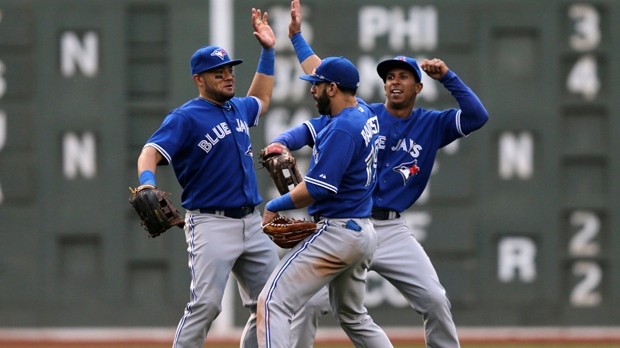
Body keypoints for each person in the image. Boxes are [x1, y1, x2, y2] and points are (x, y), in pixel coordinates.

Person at [272, 1, 490, 347]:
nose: (394, 82)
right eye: (389, 77)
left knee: (434, 299)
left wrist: (448, 77)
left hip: (390, 229)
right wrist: (297, 40)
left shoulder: (432, 124)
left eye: (403, 76)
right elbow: (327, 79)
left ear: (418, 87)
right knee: (309, 305)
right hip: (345, 223)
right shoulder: (366, 115)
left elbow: (478, 117)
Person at [135, 8, 280, 348]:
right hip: (212, 223)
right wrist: (146, 183)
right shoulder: (185, 117)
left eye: (229, 70)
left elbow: (261, 98)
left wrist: (269, 52)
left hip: (252, 222)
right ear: (199, 79)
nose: (228, 76)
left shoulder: (237, 108)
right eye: (218, 72)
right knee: (206, 305)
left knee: (275, 303)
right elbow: (150, 152)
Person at [255, 55, 393, 348]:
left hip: (338, 232)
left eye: (316, 85)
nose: (311, 89)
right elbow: (311, 128)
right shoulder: (364, 111)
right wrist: (283, 141)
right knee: (354, 317)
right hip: (362, 232)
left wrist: (273, 206)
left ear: (332, 88)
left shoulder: (343, 130)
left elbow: (318, 189)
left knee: (271, 302)